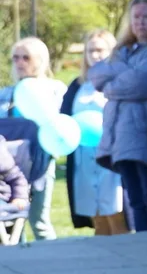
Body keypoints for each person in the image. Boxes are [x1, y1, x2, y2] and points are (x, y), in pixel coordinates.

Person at [90, 0, 147, 232]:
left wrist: (112, 84)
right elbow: (97, 74)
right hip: (120, 140)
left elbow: (141, 83)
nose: (140, 22)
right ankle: (142, 246)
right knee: (134, 198)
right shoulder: (124, 51)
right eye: (136, 17)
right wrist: (120, 76)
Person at [62, 29, 128, 235]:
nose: (95, 55)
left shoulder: (120, 81)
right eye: (91, 50)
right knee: (96, 215)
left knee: (116, 213)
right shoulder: (78, 85)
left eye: (100, 50)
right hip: (84, 159)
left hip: (112, 157)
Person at [0, 37, 66, 240]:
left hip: (41, 164)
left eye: (26, 58)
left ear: (41, 60)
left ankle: (52, 265)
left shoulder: (55, 90)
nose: (20, 63)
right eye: (16, 58)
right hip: (8, 166)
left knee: (39, 220)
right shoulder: (6, 94)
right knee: (11, 220)